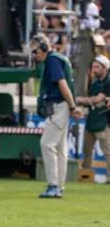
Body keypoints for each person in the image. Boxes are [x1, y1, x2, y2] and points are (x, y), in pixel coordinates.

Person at [32, 34, 82, 198]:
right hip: (62, 107)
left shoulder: (52, 60)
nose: (34, 55)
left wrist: (73, 106)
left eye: (35, 51)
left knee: (47, 144)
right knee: (60, 148)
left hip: (58, 106)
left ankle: (53, 185)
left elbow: (62, 84)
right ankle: (59, 186)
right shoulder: (57, 58)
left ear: (43, 48)